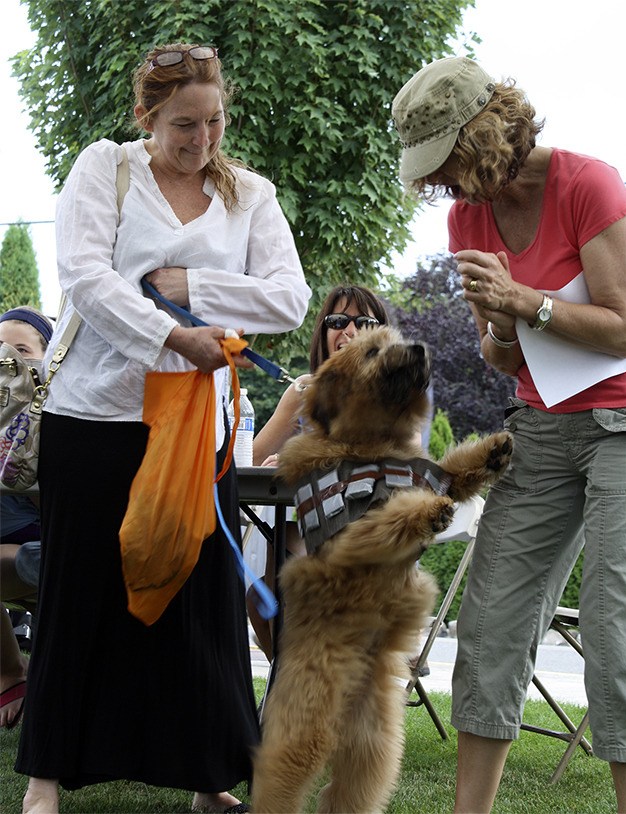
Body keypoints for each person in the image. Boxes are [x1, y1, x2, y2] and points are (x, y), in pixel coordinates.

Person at [15, 43, 310, 814]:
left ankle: (208, 777)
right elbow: (84, 275)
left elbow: (288, 300)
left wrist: (196, 288)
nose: (202, 139)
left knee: (200, 599)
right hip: (96, 416)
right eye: (185, 124)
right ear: (147, 117)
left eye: (214, 121)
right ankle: (46, 778)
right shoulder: (105, 168)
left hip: (195, 428)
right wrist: (171, 334)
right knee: (79, 591)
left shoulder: (250, 194)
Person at [392, 56, 626, 812]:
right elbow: (500, 353)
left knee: (612, 625)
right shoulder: (467, 216)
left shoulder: (589, 185)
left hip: (621, 423)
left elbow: (625, 328)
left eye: (445, 164)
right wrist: (500, 323)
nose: (439, 186)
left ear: (484, 135)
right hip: (541, 425)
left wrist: (527, 301)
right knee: (490, 620)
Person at [247, 284, 392, 660]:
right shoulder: (301, 392)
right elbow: (250, 460)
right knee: (264, 596)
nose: (349, 330)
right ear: (323, 334)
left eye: (364, 321)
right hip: (311, 538)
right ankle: (297, 688)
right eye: (338, 320)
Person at [0, 307, 51, 729]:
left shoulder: (54, 415)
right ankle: (13, 671)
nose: (11, 362)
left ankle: (14, 673)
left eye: (21, 351)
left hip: (50, 548)